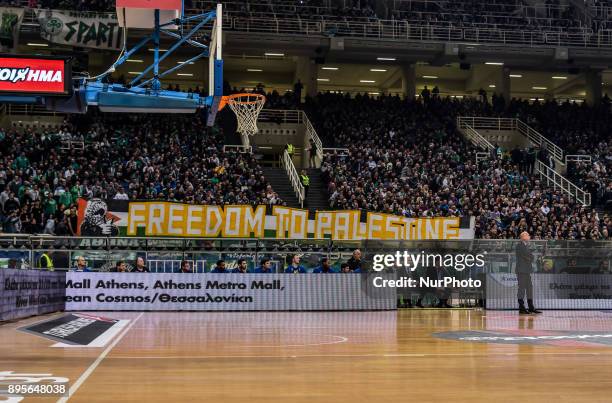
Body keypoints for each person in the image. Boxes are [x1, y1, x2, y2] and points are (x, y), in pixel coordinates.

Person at [515, 231, 541, 314]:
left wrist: (530, 256)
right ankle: (521, 307)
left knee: (529, 288)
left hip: (527, 271)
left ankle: (531, 307)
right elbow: (528, 256)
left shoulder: (526, 246)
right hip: (521, 271)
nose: (529, 236)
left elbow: (531, 257)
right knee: (521, 289)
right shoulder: (519, 245)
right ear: (523, 237)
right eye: (528, 235)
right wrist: (530, 256)